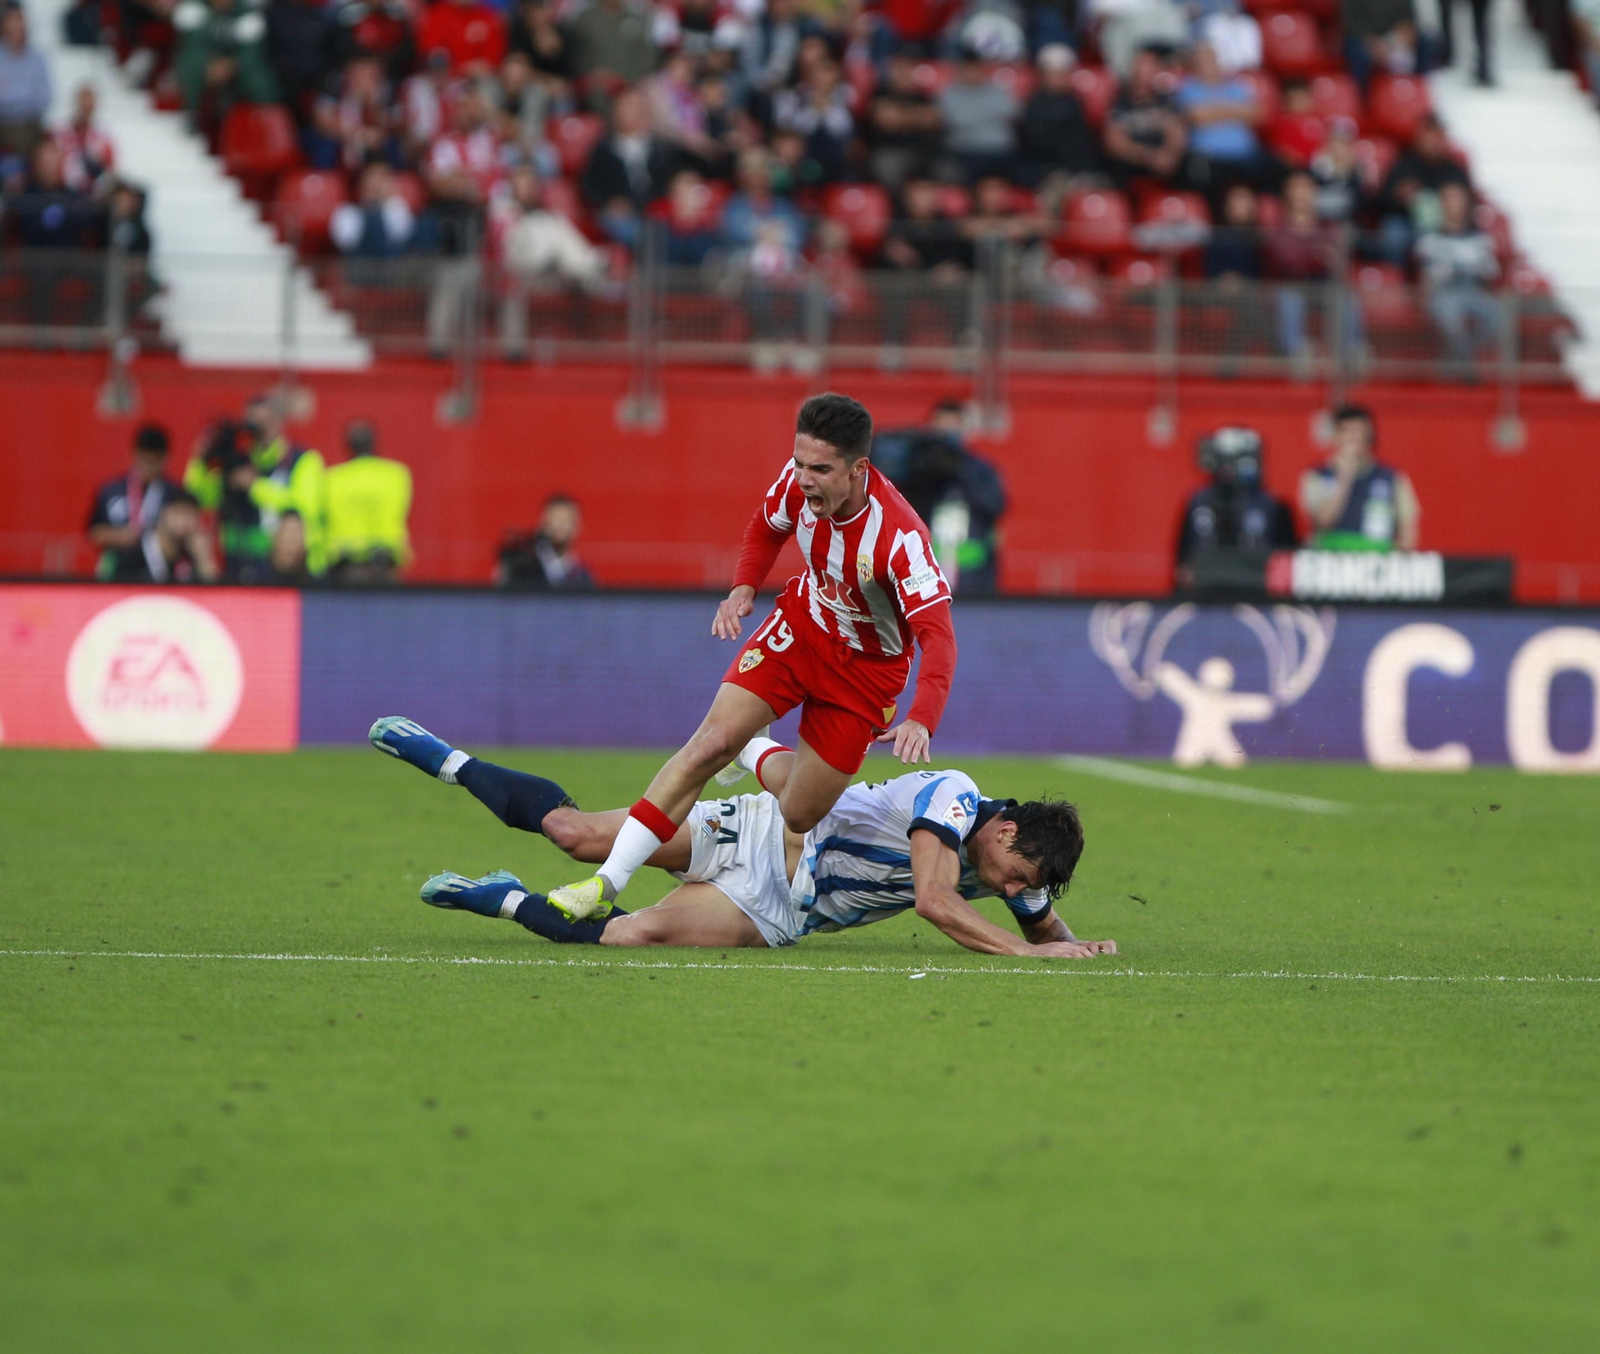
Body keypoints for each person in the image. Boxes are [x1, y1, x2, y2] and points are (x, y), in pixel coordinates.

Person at [534, 393, 958, 921]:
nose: (804, 479)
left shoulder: (902, 539)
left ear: (858, 470)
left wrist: (922, 715)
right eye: (799, 463)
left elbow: (938, 637)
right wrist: (743, 588)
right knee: (708, 743)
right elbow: (766, 527)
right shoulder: (799, 482)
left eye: (820, 469)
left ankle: (754, 752)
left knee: (800, 812)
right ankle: (605, 884)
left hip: (866, 677)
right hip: (802, 628)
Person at [369, 717, 1114, 958]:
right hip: (760, 835)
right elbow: (932, 900)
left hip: (777, 911)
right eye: (1018, 871)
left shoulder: (1015, 864)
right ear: (1005, 829)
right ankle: (446, 758)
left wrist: (1071, 945)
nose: (1015, 889)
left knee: (629, 935)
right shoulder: (951, 799)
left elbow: (1044, 921)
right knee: (575, 835)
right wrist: (1025, 955)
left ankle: (499, 900)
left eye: (1023, 885)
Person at [874, 400, 1007, 594]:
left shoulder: (980, 470)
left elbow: (995, 505)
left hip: (973, 580)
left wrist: (960, 467)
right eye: (941, 428)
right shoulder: (917, 471)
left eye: (952, 428)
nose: (945, 436)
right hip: (924, 575)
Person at [1174, 426, 1298, 586]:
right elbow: (1182, 559)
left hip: (1258, 592)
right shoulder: (1199, 502)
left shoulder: (1273, 506)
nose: (1227, 470)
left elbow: (1287, 558)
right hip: (1204, 591)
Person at [1298, 404, 1420, 551]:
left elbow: (1408, 529)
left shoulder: (1392, 478)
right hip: (1332, 560)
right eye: (1347, 431)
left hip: (1378, 562)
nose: (1353, 438)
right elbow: (1323, 522)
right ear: (1336, 436)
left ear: (1370, 436)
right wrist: (1344, 476)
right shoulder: (1317, 477)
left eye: (1359, 432)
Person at [1415, 180, 1500, 377]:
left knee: (1498, 318)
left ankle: (1456, 360)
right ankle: (1467, 367)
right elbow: (1425, 275)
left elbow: (1491, 271)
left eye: (1458, 198)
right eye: (1449, 198)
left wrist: (1475, 269)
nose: (1454, 203)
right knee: (1452, 322)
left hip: (1472, 290)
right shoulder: (1430, 239)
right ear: (1441, 203)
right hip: (1444, 293)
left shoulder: (1480, 239)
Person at [86, 423, 185, 579]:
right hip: (117, 571)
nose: (148, 467)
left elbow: (184, 535)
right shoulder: (111, 491)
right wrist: (121, 536)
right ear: (134, 455)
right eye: (144, 460)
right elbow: (94, 532)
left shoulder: (174, 494)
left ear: (165, 459)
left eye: (154, 462)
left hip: (160, 573)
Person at [324, 420, 412, 582]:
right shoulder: (397, 475)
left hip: (346, 567)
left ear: (348, 445)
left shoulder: (332, 478)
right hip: (385, 565)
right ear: (374, 443)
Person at [1103, 46, 1189, 188]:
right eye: (1139, 65)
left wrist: (1169, 155)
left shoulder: (1166, 102)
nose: (1141, 71)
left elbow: (1178, 134)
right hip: (1130, 167)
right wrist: (1149, 158)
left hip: (1165, 167)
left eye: (1148, 66)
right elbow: (1114, 141)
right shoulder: (1119, 102)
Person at [105, 489, 221, 584]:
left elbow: (216, 595)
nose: (184, 521)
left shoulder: (191, 554)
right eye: (179, 512)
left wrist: (204, 558)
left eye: (191, 515)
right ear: (163, 513)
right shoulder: (133, 550)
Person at [495, 493, 594, 588]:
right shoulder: (522, 564)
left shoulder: (581, 574)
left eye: (566, 520)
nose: (560, 525)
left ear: (577, 526)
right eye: (555, 518)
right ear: (543, 521)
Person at [0, 5, 51, 157]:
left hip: (31, 126)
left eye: (19, 20)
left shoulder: (38, 59)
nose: (16, 25)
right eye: (11, 20)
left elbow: (45, 99)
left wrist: (9, 96)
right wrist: (26, 95)